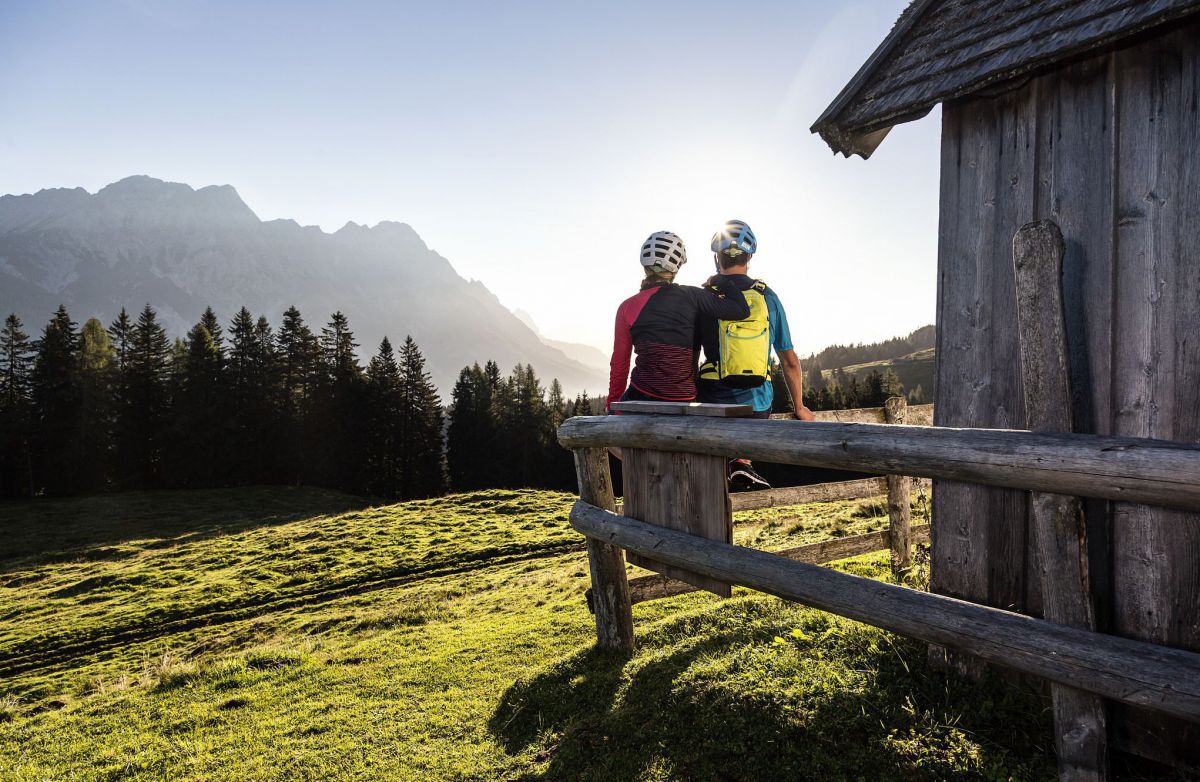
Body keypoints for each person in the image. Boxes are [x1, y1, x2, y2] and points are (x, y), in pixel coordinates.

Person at [697, 219, 816, 489]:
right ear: (749, 257)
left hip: (711, 400)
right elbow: (790, 361)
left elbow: (690, 354)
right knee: (756, 401)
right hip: (756, 404)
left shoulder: (704, 295)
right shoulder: (768, 297)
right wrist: (799, 407)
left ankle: (722, 471)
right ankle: (743, 462)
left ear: (718, 259)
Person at [607, 231, 750, 410]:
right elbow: (741, 310)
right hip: (683, 397)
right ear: (677, 267)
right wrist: (720, 281)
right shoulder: (694, 296)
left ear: (644, 266)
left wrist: (612, 405)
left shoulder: (627, 307)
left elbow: (619, 364)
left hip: (642, 393)